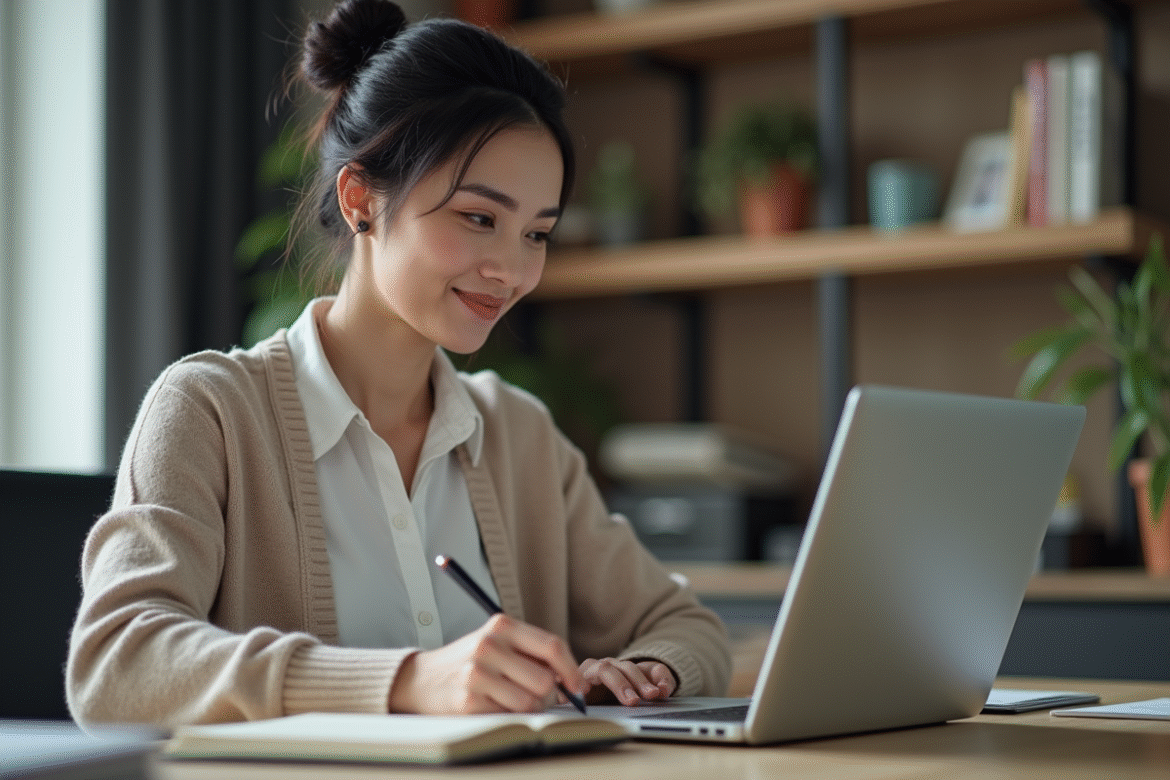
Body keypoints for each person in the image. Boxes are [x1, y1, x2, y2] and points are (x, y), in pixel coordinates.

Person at [67, 0, 730, 727]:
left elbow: (688, 627)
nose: (511, 270)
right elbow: (115, 666)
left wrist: (636, 676)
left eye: (536, 234)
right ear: (360, 200)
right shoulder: (210, 411)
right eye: (479, 218)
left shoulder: (519, 435)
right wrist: (409, 681)